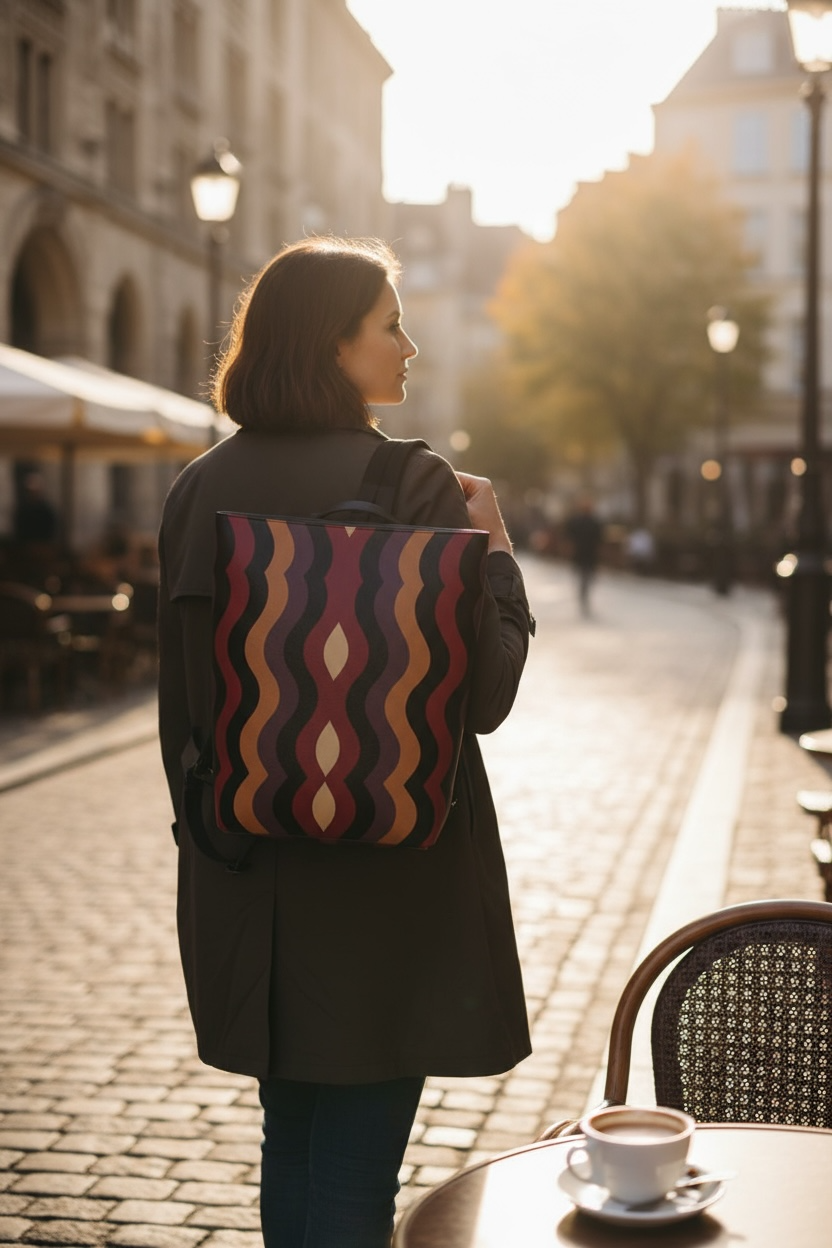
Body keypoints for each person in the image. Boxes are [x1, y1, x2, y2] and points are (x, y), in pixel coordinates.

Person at [157, 236, 534, 1248]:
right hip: (389, 877)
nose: (408, 345)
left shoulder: (199, 486)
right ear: (335, 344)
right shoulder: (410, 482)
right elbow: (485, 695)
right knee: (359, 1173)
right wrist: (494, 550)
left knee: (293, 1148)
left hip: (252, 879)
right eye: (389, 324)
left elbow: (177, 713)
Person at [564, 496, 603, 616]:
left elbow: (568, 538)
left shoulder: (579, 521)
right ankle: (584, 597)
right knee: (586, 577)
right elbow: (600, 540)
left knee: (584, 577)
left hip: (581, 554)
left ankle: (583, 597)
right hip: (588, 554)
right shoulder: (593, 522)